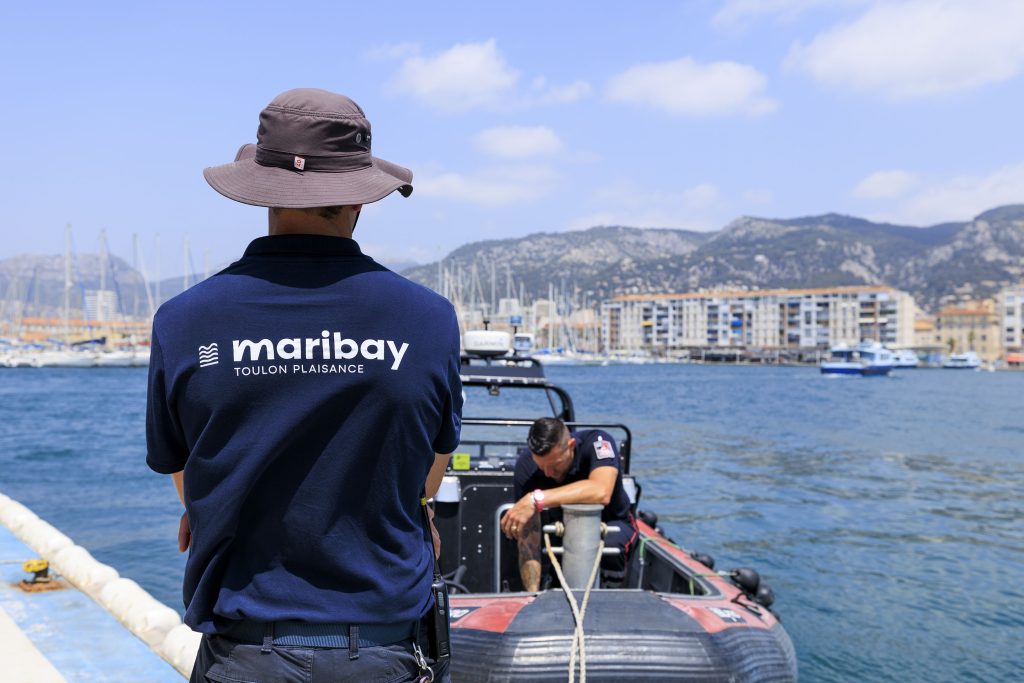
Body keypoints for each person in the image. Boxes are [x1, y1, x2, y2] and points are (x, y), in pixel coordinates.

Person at [146, 88, 462, 683]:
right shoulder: (428, 320)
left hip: (242, 657)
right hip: (383, 655)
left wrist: (212, 508)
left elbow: (185, 474)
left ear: (264, 191)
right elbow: (428, 473)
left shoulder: (184, 321)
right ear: (360, 196)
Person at [500, 417, 638, 591]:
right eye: (542, 467)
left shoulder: (598, 442)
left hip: (614, 524)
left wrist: (536, 499)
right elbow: (529, 546)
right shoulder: (526, 467)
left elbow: (602, 491)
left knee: (611, 546)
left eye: (555, 465)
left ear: (571, 445)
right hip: (563, 533)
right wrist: (532, 595)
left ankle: (613, 593)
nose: (548, 473)